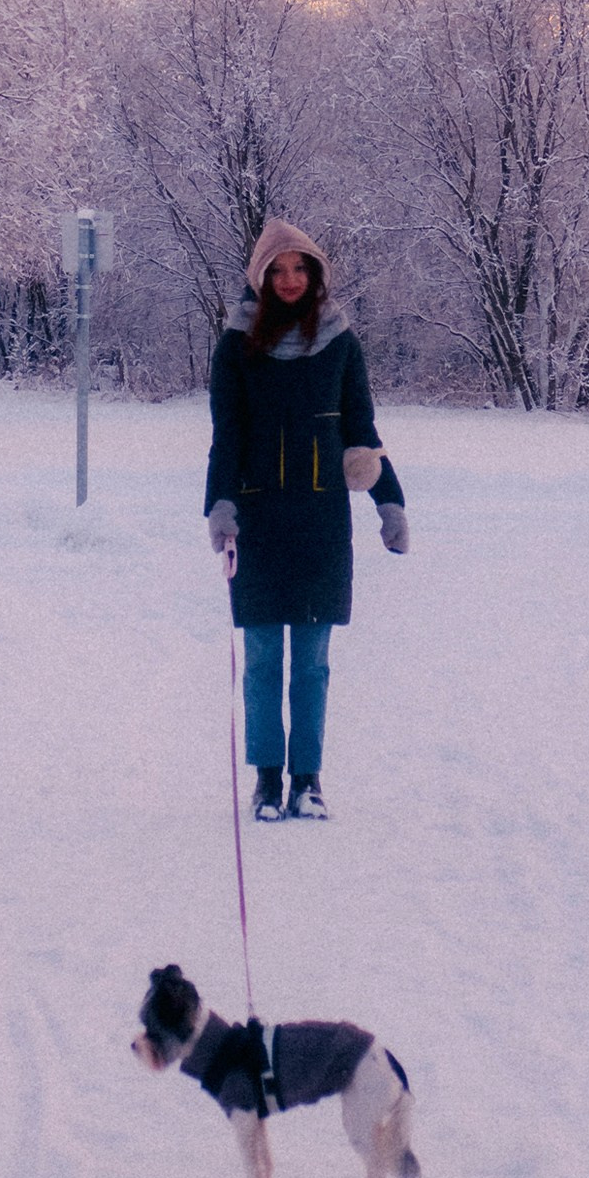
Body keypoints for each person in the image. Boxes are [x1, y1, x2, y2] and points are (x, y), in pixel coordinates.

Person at [204, 218, 407, 820]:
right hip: (259, 520)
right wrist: (221, 504)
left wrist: (389, 501)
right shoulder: (236, 345)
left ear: (315, 273)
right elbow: (227, 435)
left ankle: (308, 780)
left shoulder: (340, 342)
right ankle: (268, 780)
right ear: (261, 278)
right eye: (278, 270)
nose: (290, 279)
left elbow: (361, 430)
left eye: (300, 268)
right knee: (264, 658)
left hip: (321, 522)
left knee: (313, 664)